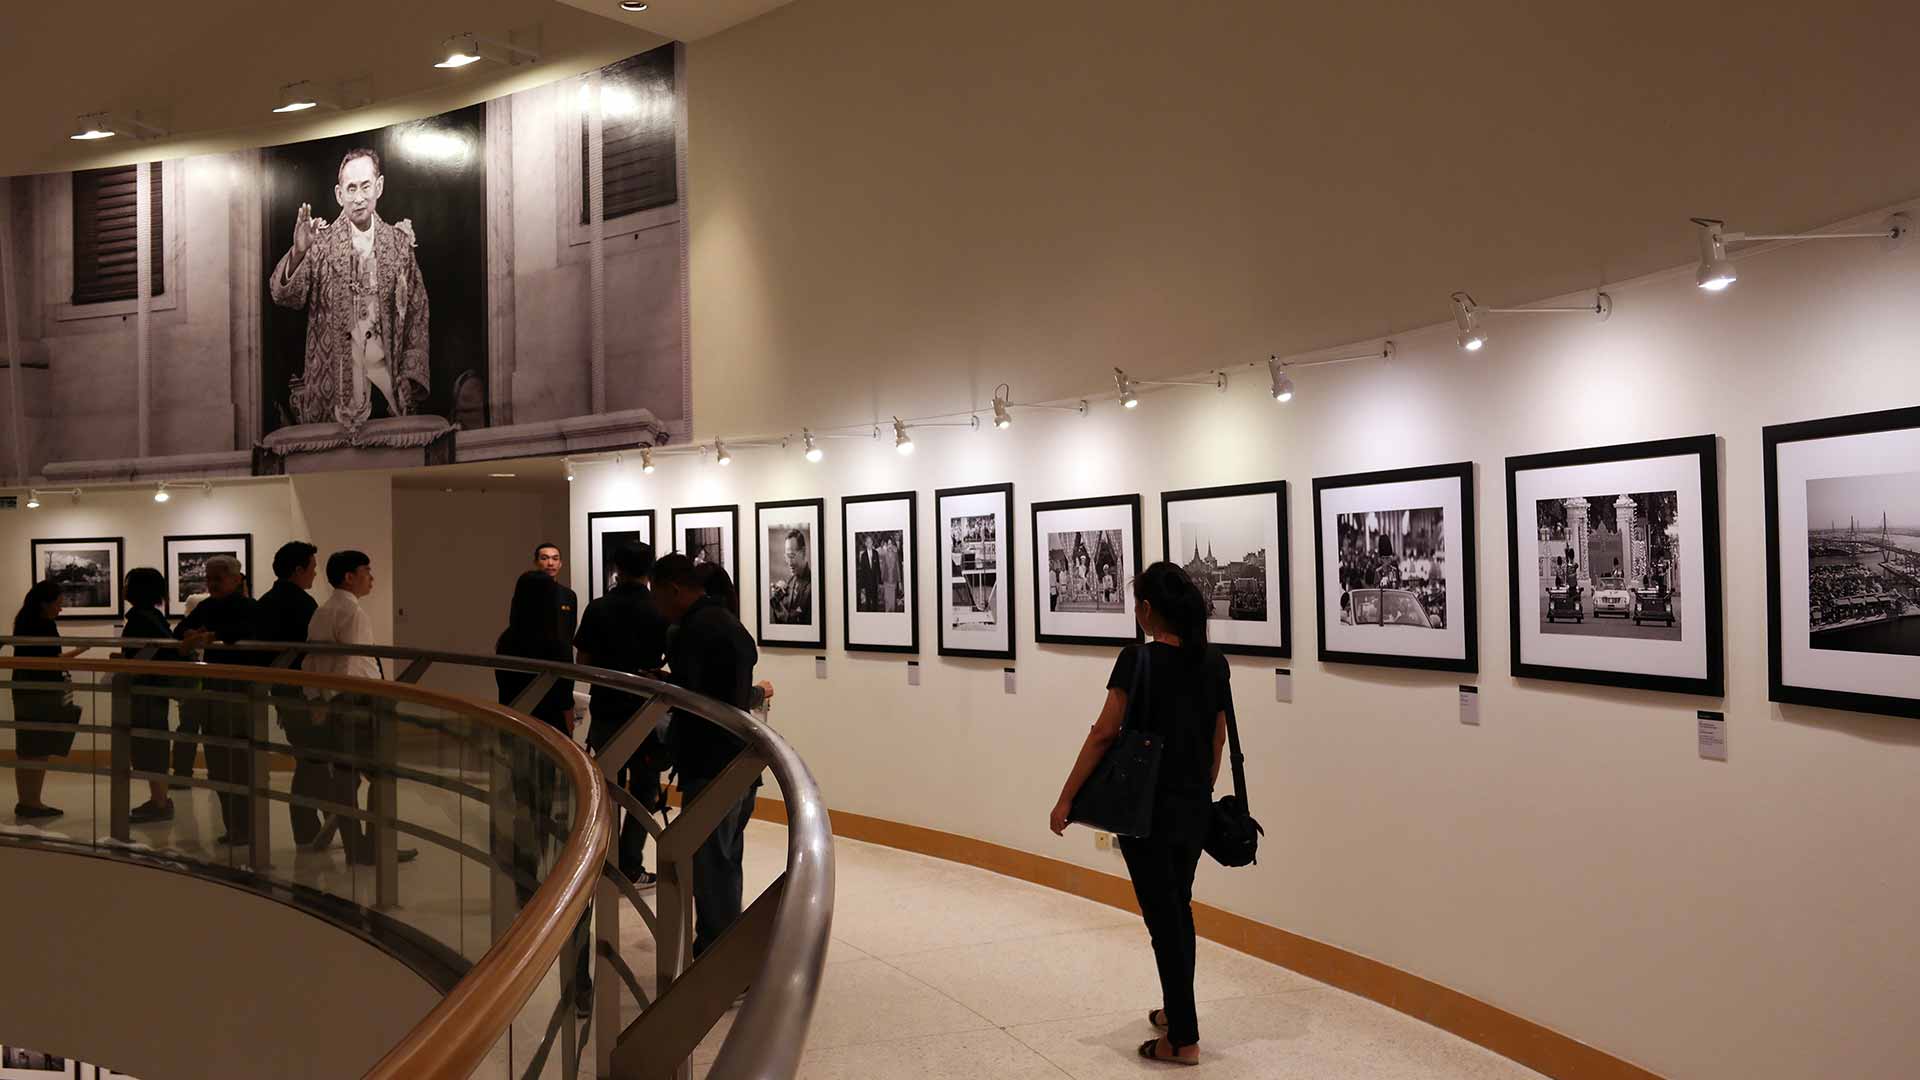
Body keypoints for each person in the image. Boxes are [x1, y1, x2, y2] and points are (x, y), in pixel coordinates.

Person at [1049, 562, 1230, 1068]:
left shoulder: (1137, 661)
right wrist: (1199, 789)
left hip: (1146, 812)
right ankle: (1178, 1013)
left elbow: (1104, 733)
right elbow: (1217, 739)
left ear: (1148, 610)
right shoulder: (1213, 663)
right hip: (1193, 807)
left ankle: (1183, 1039)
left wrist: (1067, 799)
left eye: (1137, 604)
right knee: (1180, 911)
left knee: (1164, 920)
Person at [652, 554, 767, 959]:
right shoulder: (730, 624)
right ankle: (724, 952)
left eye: (658, 595)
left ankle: (718, 962)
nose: (657, 606)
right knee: (725, 861)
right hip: (739, 762)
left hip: (710, 764)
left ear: (675, 589)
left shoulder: (693, 631)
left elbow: (694, 697)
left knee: (712, 868)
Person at [270, 147, 430, 431]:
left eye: (365, 187)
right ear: (338, 194)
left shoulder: (399, 246)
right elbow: (284, 296)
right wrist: (298, 252)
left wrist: (410, 377)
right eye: (351, 188)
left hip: (387, 382)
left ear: (378, 187)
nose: (358, 198)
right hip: (334, 387)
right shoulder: (320, 244)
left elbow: (418, 314)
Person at [304, 550, 413, 865]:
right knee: (379, 774)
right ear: (349, 577)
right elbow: (352, 663)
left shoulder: (324, 610)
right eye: (366, 570)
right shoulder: (352, 613)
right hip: (356, 701)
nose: (371, 577)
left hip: (336, 700)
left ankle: (357, 846)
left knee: (346, 777)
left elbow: (311, 662)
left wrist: (317, 698)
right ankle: (377, 847)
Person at [573, 541, 671, 887]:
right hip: (646, 714)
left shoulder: (599, 608)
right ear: (650, 571)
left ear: (616, 567)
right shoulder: (659, 610)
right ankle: (630, 864)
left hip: (606, 710)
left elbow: (582, 662)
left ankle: (601, 860)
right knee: (644, 793)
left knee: (605, 791)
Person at [172, 556, 261, 846]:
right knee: (219, 762)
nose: (212, 583)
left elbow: (250, 632)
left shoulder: (249, 607)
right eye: (209, 577)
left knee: (237, 761)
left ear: (237, 579)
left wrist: (213, 635)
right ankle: (235, 828)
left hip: (238, 693)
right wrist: (190, 633)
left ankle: (246, 828)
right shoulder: (207, 606)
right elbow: (180, 630)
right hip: (213, 691)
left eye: (218, 577)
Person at [256, 542, 323, 843]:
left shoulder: (266, 601)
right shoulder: (303, 604)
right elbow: (313, 657)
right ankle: (309, 829)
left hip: (282, 692)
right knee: (313, 762)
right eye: (311, 567)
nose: (315, 572)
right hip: (303, 694)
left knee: (307, 760)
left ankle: (309, 828)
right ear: (298, 570)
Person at [9, 582, 90, 819]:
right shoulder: (44, 626)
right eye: (58, 604)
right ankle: (32, 802)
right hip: (41, 691)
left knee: (28, 748)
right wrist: (81, 651)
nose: (60, 609)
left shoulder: (24, 622)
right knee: (38, 748)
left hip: (25, 689)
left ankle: (27, 800)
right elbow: (54, 661)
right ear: (45, 603)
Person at [121, 568, 182, 823]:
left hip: (145, 689)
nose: (124, 588)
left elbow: (150, 653)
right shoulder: (153, 616)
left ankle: (159, 802)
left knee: (149, 744)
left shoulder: (139, 618)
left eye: (128, 583)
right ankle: (159, 798)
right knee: (152, 742)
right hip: (153, 689)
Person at [535, 542, 580, 645]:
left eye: (555, 559)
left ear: (560, 564)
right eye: (544, 558)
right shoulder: (527, 593)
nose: (550, 563)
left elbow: (570, 630)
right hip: (533, 655)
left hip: (562, 656)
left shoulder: (569, 595)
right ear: (536, 562)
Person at [769, 530, 812, 624]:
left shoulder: (813, 585)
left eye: (792, 556)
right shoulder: (790, 582)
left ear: (803, 552)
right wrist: (777, 600)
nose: (789, 563)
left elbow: (799, 624)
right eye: (787, 556)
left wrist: (780, 610)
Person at [879, 534, 901, 612]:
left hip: (894, 579)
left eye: (890, 544)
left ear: (892, 545)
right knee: (887, 597)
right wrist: (881, 579)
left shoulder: (896, 555)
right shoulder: (884, 555)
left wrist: (899, 581)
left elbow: (898, 568)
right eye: (888, 544)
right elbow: (883, 568)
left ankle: (892, 611)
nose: (889, 546)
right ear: (886, 545)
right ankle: (887, 611)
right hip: (886, 579)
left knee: (892, 597)